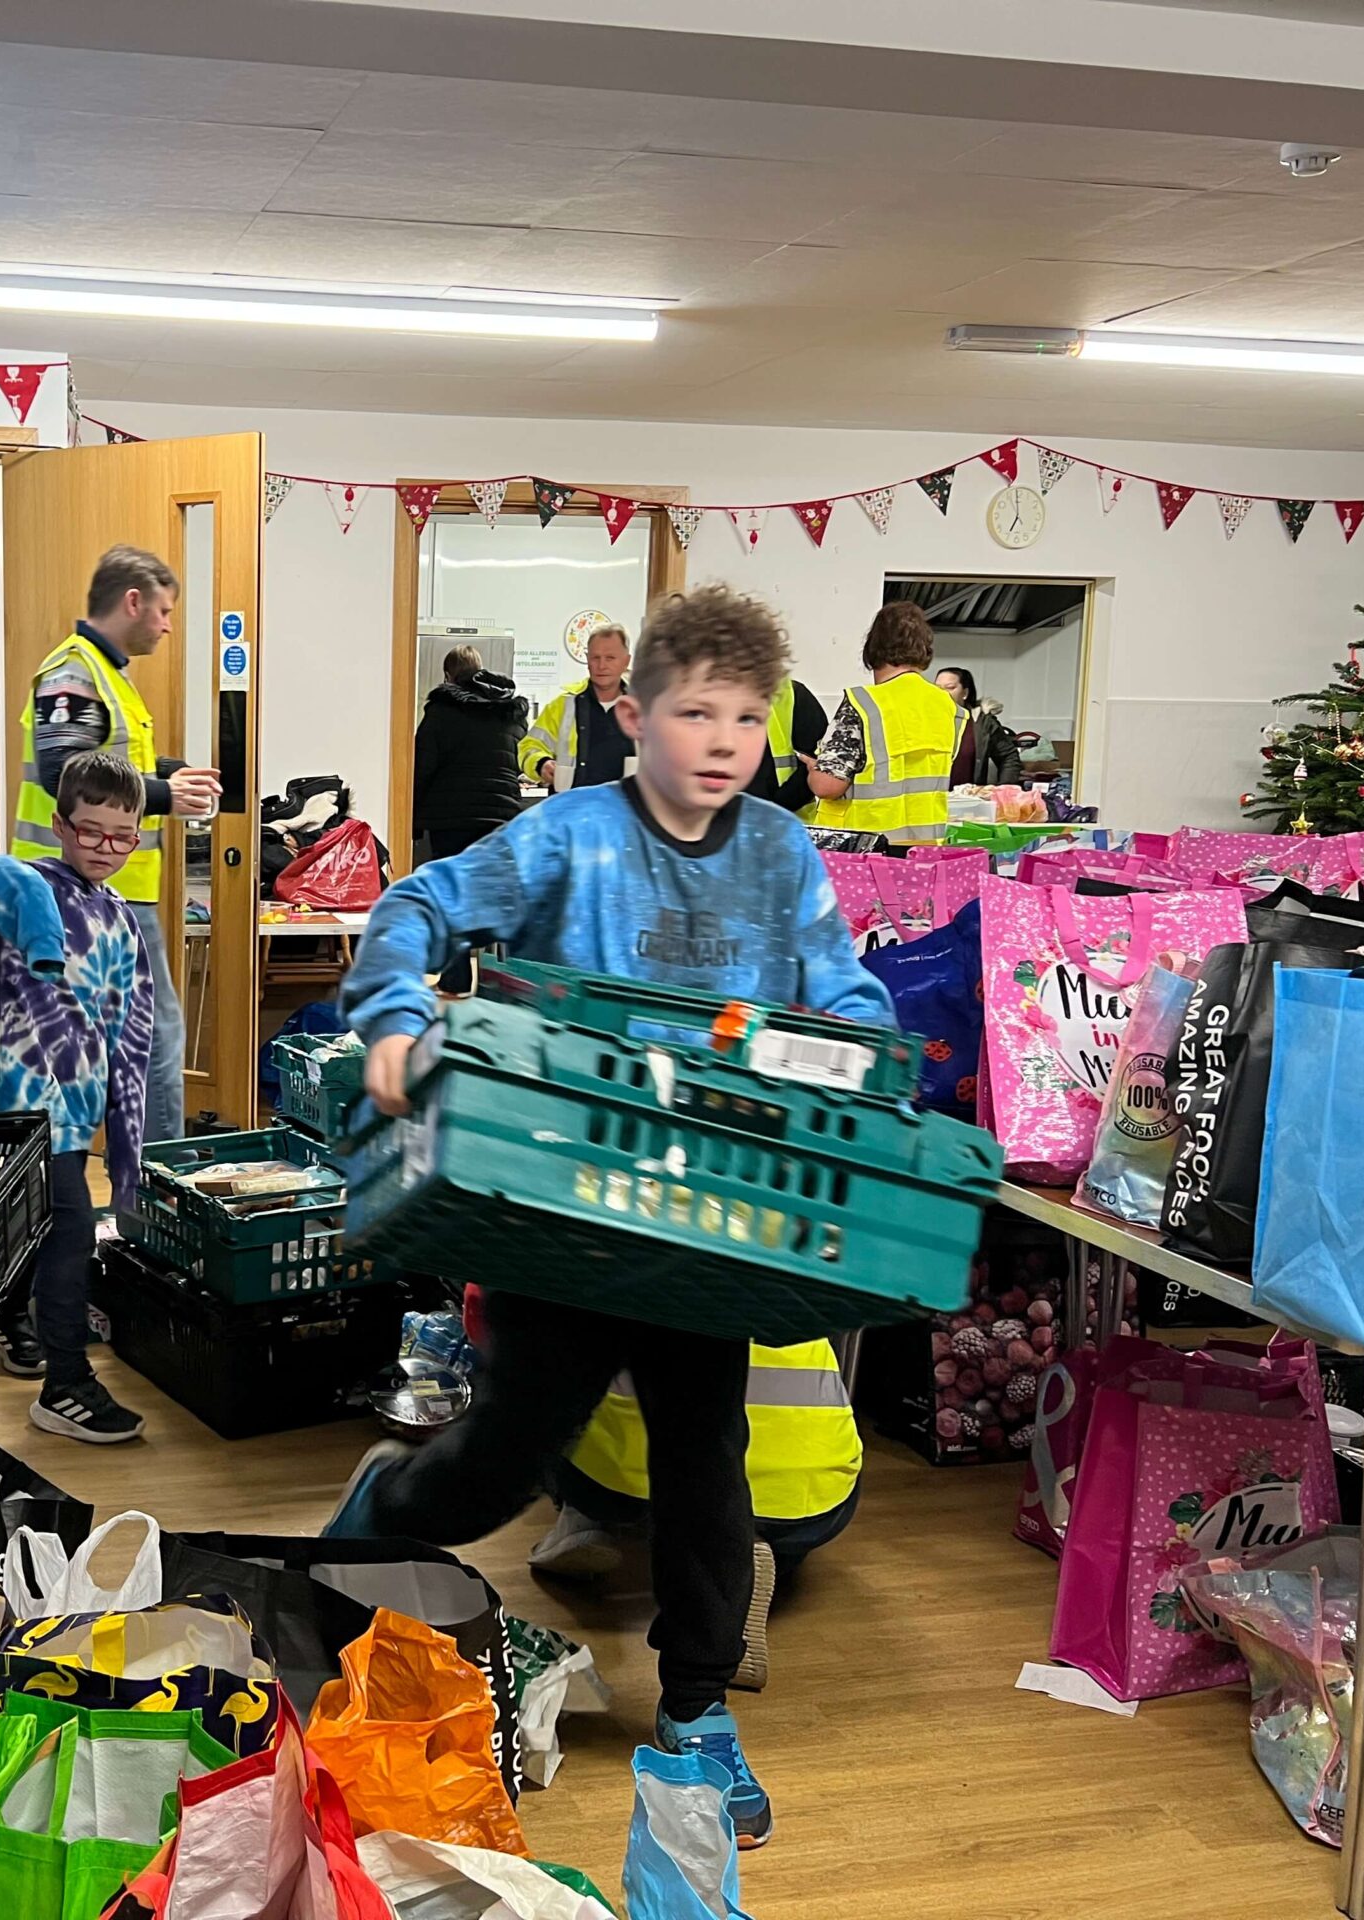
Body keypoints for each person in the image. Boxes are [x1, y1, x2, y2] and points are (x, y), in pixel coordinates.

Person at [324, 583, 895, 1851]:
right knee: (502, 1458)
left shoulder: (781, 853)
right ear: (632, 715)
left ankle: (693, 1711)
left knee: (708, 1470)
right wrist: (396, 1015)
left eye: (748, 718)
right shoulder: (566, 837)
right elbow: (416, 906)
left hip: (704, 1224)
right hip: (560, 1212)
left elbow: (838, 984)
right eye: (696, 711)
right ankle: (379, 1516)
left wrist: (874, 1061)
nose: (723, 741)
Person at [0, 751, 156, 1441]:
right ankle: (65, 1383)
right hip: (29, 1104)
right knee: (73, 1225)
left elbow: (131, 1034)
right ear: (59, 825)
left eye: (122, 835)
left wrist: (127, 1138)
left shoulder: (120, 916)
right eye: (90, 831)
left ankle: (11, 1312)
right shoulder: (33, 890)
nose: (106, 848)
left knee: (47, 1221)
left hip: (76, 1111)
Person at [13, 546, 220, 1147]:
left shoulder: (109, 673)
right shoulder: (73, 672)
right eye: (163, 609)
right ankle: (156, 1201)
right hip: (85, 894)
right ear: (132, 601)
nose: (168, 624)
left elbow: (112, 760)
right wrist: (161, 793)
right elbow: (68, 774)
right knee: (153, 1041)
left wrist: (170, 773)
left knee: (65, 1039)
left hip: (108, 893)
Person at [533, 1342, 865, 1687]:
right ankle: (746, 1558)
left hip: (623, 1482)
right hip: (810, 1491)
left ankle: (584, 1518)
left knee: (549, 1397)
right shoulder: (808, 1294)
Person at [411, 644, 527, 992]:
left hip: (453, 819)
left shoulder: (441, 711)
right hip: (501, 820)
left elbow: (421, 767)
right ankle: (506, 984)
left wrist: (413, 818)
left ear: (448, 676)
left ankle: (456, 979)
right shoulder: (508, 710)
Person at [803, 600, 964, 845]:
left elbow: (827, 786)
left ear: (873, 649)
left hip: (866, 852)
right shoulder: (950, 709)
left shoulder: (864, 704)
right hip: (923, 850)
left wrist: (814, 770)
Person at [521, 623, 632, 792]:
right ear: (587, 660)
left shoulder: (644, 709)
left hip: (625, 813)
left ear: (626, 661)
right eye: (595, 657)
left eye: (610, 658)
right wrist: (541, 764)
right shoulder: (564, 705)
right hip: (569, 811)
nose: (602, 665)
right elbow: (528, 747)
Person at [745, 675, 828, 816]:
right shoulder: (707, 695)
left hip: (788, 825)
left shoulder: (792, 694)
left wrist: (778, 808)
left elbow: (818, 760)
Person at [935, 667, 1025, 789]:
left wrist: (1004, 789)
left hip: (968, 800)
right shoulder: (922, 719)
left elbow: (1008, 757)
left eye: (950, 688)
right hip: (928, 799)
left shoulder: (981, 722)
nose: (942, 692)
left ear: (965, 693)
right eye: (937, 688)